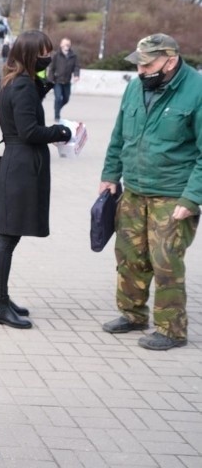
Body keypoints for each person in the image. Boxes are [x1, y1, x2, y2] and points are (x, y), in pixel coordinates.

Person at [100, 33, 202, 350]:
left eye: (148, 64)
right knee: (130, 256)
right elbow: (119, 134)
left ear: (170, 61)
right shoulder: (135, 88)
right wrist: (109, 174)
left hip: (173, 194)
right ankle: (132, 314)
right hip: (134, 190)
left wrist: (192, 198)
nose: (142, 70)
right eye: (139, 64)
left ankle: (172, 330)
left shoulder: (196, 91)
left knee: (166, 260)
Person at [0, 30, 72, 329]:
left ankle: (1, 298)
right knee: (8, 236)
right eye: (43, 54)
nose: (47, 59)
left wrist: (43, 87)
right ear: (29, 54)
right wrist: (62, 132)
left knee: (8, 236)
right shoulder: (22, 85)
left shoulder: (14, 81)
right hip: (22, 165)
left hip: (17, 163)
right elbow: (29, 131)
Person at [47, 37, 80, 122]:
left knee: (66, 99)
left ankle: (57, 108)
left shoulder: (73, 56)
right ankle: (57, 115)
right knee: (58, 98)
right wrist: (50, 80)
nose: (67, 45)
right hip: (57, 81)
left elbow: (76, 67)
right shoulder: (56, 55)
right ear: (61, 45)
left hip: (67, 81)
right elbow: (51, 68)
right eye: (65, 44)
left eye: (68, 44)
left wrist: (76, 75)